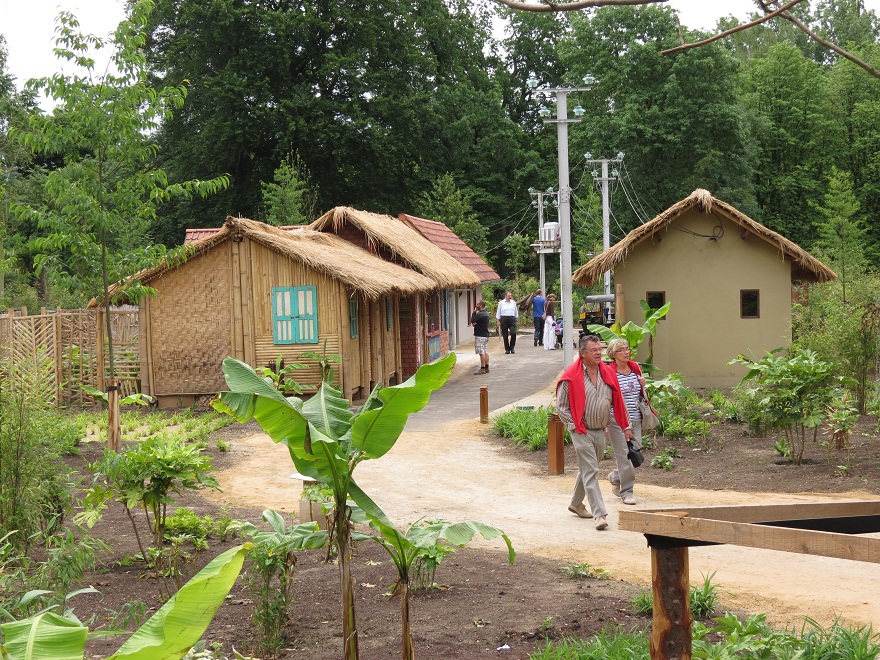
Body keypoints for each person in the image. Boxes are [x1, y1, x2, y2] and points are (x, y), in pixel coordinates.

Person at [556, 334, 632, 531]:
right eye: (594, 350)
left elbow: (618, 402)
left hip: (600, 429)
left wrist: (626, 426)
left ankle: (575, 503)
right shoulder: (570, 377)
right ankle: (600, 514)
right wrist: (574, 426)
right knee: (591, 470)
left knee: (587, 468)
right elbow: (562, 407)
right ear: (582, 354)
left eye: (599, 349)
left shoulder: (608, 373)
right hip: (580, 429)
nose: (599, 353)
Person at [604, 338, 646, 506]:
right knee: (624, 457)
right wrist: (606, 422)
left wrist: (643, 385)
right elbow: (605, 399)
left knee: (636, 455)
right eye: (622, 350)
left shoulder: (635, 367)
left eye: (627, 349)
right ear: (613, 354)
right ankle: (627, 492)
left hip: (635, 417)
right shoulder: (609, 371)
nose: (626, 352)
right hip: (617, 421)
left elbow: (639, 393)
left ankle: (615, 476)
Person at [470, 300, 490, 374]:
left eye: (477, 304)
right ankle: (487, 366)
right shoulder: (486, 314)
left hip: (480, 335)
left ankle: (482, 368)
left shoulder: (480, 314)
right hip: (485, 335)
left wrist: (474, 312)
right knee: (485, 351)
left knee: (481, 352)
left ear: (481, 305)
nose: (476, 305)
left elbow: (472, 320)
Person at [495, 290, 519, 354]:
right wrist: (498, 321)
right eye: (508, 296)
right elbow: (498, 312)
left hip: (512, 318)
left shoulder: (513, 302)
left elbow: (516, 311)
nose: (510, 297)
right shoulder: (501, 303)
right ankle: (507, 349)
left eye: (510, 295)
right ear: (505, 296)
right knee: (505, 335)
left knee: (513, 333)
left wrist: (516, 319)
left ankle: (512, 347)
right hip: (504, 318)